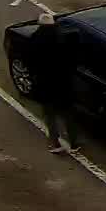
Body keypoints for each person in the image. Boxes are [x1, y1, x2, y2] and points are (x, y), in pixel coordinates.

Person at [30, 12, 77, 154]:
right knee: (68, 113)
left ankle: (55, 143)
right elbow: (71, 60)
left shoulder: (35, 39)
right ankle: (74, 142)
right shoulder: (61, 38)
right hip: (63, 83)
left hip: (45, 84)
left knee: (50, 115)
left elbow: (32, 63)